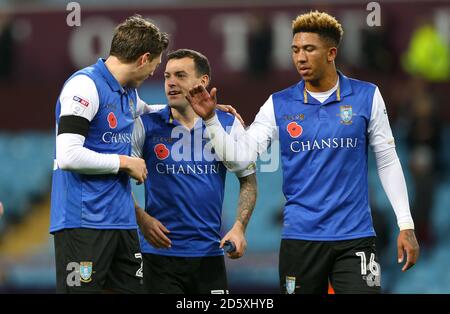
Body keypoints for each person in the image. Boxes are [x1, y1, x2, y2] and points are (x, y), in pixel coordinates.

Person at [186, 11, 420, 294]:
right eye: (295, 50)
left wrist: (405, 224)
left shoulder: (366, 96)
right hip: (300, 240)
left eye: (309, 49)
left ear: (331, 52)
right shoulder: (278, 104)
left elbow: (387, 160)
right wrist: (211, 120)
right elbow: (241, 159)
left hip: (354, 237)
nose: (300, 58)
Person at [49, 15, 169, 293]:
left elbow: (152, 111)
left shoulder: (127, 93)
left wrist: (198, 111)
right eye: (155, 64)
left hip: (122, 222)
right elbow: (68, 155)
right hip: (83, 223)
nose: (153, 72)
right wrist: (124, 162)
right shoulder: (84, 87)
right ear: (143, 58)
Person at [132, 49, 257, 294]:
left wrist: (239, 227)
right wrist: (140, 217)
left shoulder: (229, 125)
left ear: (203, 81)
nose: (171, 83)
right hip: (157, 256)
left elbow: (248, 181)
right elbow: (116, 180)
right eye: (167, 76)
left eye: (180, 75)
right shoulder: (146, 125)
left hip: (209, 255)